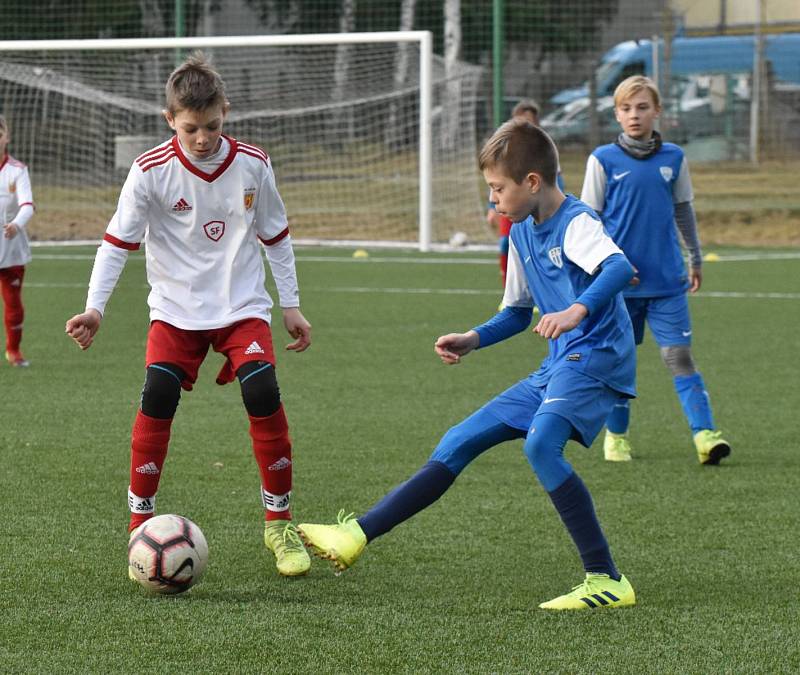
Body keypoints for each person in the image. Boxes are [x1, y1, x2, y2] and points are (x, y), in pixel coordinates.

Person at [299, 119, 639, 610]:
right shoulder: (521, 233)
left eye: (497, 189)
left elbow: (618, 267)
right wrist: (474, 339)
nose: (493, 200)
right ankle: (354, 535)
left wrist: (575, 310)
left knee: (543, 446)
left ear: (533, 183)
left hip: (598, 356)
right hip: (563, 360)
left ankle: (607, 579)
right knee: (459, 438)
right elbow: (518, 313)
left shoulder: (577, 223)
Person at [65, 53, 312, 577]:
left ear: (226, 111)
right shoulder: (150, 171)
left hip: (241, 306)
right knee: (158, 397)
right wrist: (95, 308)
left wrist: (289, 305)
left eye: (213, 126)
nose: (203, 138)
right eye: (191, 128)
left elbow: (276, 236)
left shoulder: (253, 164)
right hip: (175, 310)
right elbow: (116, 243)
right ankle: (140, 524)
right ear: (169, 119)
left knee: (262, 392)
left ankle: (280, 525)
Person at [580, 75, 731, 465]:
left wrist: (694, 257)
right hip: (618, 285)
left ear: (657, 111)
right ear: (616, 114)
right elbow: (587, 222)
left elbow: (683, 209)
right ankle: (616, 436)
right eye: (626, 108)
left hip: (667, 282)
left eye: (642, 107)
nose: (634, 115)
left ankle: (706, 436)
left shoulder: (674, 158)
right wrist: (603, 267)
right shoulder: (602, 160)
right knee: (618, 362)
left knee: (679, 358)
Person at [486, 100, 542, 288]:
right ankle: (509, 292)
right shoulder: (504, 150)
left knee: (535, 248)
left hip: (535, 208)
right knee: (505, 244)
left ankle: (536, 290)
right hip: (509, 204)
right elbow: (495, 181)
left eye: (529, 123)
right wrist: (492, 207)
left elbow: (556, 181)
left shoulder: (545, 151)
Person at [0, 115, 35, 367]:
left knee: (13, 302)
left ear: (7, 137)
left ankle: (13, 351)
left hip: (10, 248)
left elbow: (27, 206)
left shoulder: (17, 170)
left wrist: (15, 224)